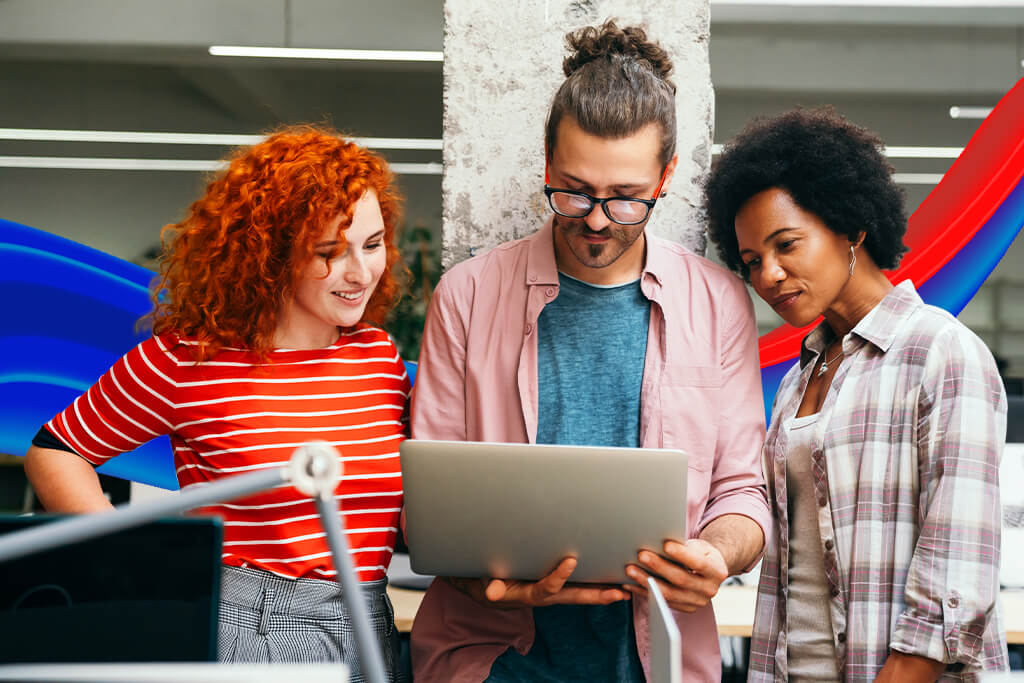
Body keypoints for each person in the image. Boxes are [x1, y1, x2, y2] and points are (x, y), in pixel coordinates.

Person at [409, 20, 771, 682]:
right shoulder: (465, 296)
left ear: (665, 177)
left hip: (656, 658)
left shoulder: (719, 304)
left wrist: (717, 553)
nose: (599, 219)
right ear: (546, 164)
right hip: (492, 661)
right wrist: (481, 581)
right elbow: (430, 511)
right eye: (574, 189)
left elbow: (743, 491)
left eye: (628, 198)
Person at [23, 126, 411, 679]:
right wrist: (128, 562)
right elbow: (56, 450)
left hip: (367, 620)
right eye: (329, 252)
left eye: (372, 245)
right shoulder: (191, 360)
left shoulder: (378, 358)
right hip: (247, 627)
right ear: (272, 255)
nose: (360, 272)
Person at [704, 108, 1008, 681]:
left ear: (851, 228)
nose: (768, 275)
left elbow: (957, 562)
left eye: (786, 244)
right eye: (751, 262)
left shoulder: (939, 351)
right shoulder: (797, 380)